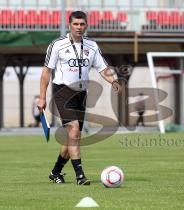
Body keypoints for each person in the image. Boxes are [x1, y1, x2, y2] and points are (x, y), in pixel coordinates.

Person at [37, 11, 121, 185]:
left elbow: (103, 69)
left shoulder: (92, 46)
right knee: (74, 131)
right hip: (63, 92)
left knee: (72, 138)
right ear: (70, 25)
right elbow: (46, 72)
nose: (79, 27)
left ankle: (55, 172)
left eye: (82, 24)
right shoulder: (57, 45)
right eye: (76, 24)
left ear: (86, 26)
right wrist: (42, 97)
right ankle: (80, 176)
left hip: (81, 95)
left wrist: (114, 81)